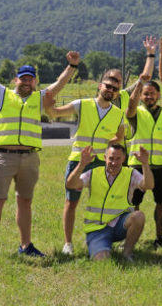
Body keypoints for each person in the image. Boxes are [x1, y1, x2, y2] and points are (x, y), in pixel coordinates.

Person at [0, 38, 77, 260]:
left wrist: (71, 66)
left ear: (35, 82)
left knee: (25, 202)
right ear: (16, 80)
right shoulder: (1, 94)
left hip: (30, 158)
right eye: (23, 78)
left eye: (30, 79)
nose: (26, 82)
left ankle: (25, 245)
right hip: (3, 157)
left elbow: (59, 84)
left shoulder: (39, 99)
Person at [48, 67, 128, 255]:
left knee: (104, 203)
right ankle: (68, 244)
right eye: (108, 86)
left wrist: (106, 145)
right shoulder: (82, 104)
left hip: (102, 164)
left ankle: (102, 239)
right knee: (71, 202)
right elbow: (55, 113)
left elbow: (120, 137)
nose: (111, 90)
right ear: (100, 85)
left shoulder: (117, 114)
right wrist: (47, 103)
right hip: (78, 160)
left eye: (115, 89)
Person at [65, 144, 152, 261]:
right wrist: (81, 164)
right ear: (105, 158)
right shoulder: (94, 173)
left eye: (118, 159)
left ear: (124, 159)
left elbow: (149, 185)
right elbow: (70, 184)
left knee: (138, 216)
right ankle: (97, 245)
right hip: (97, 228)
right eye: (111, 158)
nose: (114, 163)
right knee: (102, 260)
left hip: (120, 225)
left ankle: (127, 253)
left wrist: (145, 164)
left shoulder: (130, 173)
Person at [125, 72, 162, 249]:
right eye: (145, 93)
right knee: (133, 203)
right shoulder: (136, 113)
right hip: (137, 165)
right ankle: (130, 236)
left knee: (161, 204)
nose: (149, 96)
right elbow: (130, 104)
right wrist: (139, 84)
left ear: (158, 95)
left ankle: (160, 238)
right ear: (141, 95)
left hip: (161, 165)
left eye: (152, 93)